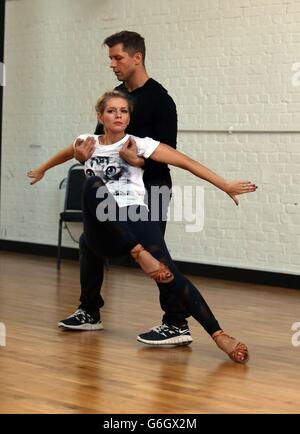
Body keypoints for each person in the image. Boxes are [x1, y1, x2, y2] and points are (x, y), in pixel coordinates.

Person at [28, 90, 257, 363]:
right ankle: (103, 295)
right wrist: (43, 168)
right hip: (101, 224)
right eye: (111, 110)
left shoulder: (139, 144)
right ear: (100, 116)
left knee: (170, 273)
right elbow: (64, 155)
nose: (118, 115)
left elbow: (185, 162)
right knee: (90, 187)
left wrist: (225, 184)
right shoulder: (86, 142)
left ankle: (218, 334)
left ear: (129, 117)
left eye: (124, 111)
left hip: (135, 216)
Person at [28, 30, 194, 346]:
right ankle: (89, 311)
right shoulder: (116, 95)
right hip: (114, 187)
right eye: (110, 59)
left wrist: (140, 162)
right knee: (90, 242)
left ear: (137, 57)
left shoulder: (160, 100)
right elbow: (96, 142)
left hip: (153, 187)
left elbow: (168, 152)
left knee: (154, 251)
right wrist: (81, 155)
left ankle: (176, 322)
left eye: (117, 57)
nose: (113, 64)